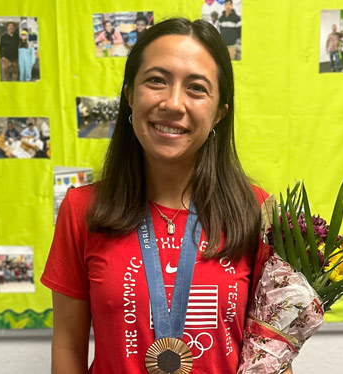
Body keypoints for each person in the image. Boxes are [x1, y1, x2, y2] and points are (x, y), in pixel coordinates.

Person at [42, 18, 278, 374]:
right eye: (156, 81)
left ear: (219, 113)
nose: (173, 103)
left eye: (197, 88)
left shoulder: (257, 212)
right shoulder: (83, 209)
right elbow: (68, 344)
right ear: (129, 95)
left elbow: (274, 351)